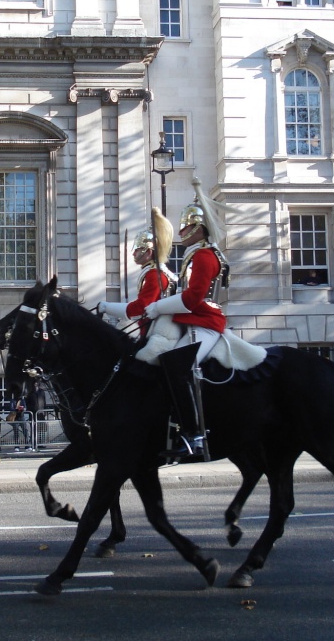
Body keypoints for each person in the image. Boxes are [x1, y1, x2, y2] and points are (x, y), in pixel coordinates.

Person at [144, 179, 230, 459]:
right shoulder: (199, 255)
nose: (182, 232)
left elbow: (193, 299)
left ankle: (195, 435)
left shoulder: (204, 256)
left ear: (198, 228)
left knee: (177, 364)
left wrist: (158, 308)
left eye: (186, 227)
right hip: (193, 321)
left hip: (205, 323)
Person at [97, 207, 177, 338]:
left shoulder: (154, 275)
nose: (134, 253)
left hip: (155, 329)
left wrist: (108, 307)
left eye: (138, 249)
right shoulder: (154, 272)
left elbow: (141, 307)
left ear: (149, 252)